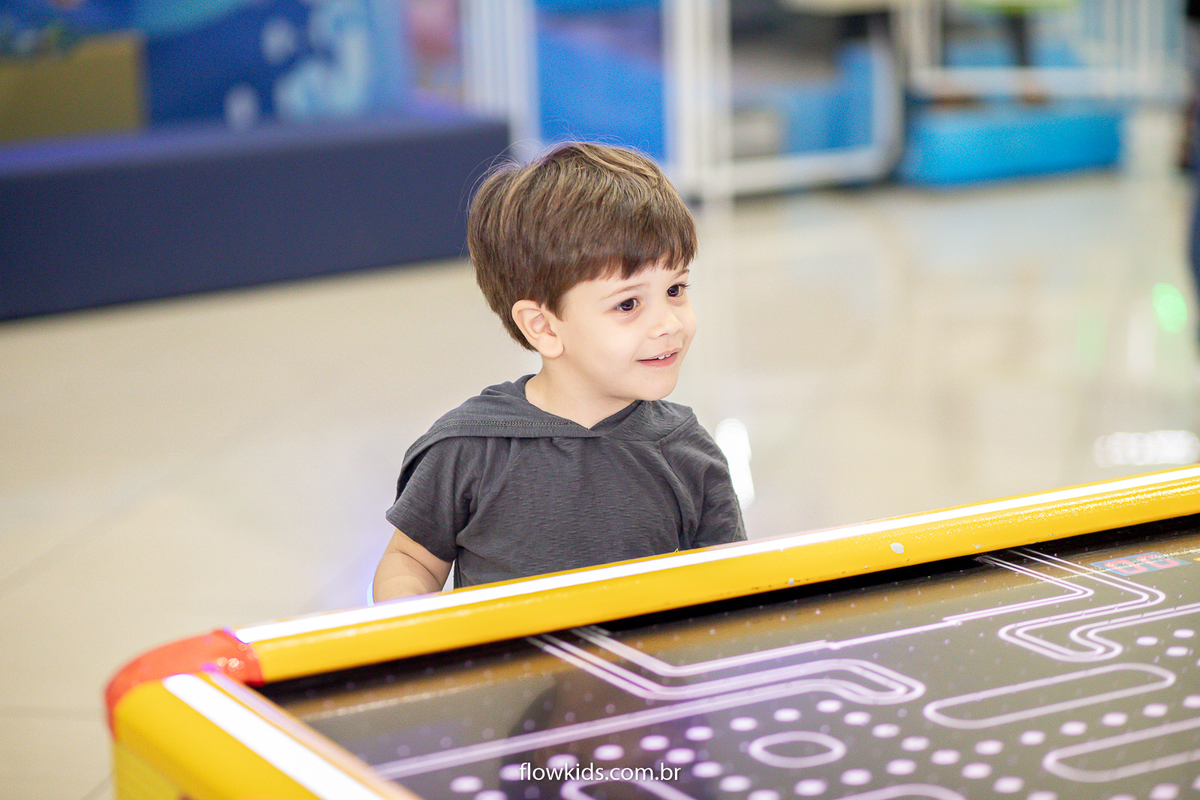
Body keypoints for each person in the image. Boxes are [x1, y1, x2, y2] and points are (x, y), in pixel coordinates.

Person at [372, 142, 746, 600]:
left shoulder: (690, 454)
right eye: (628, 303)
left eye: (675, 289)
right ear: (544, 327)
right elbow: (410, 561)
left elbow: (733, 588)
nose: (669, 324)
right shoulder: (468, 448)